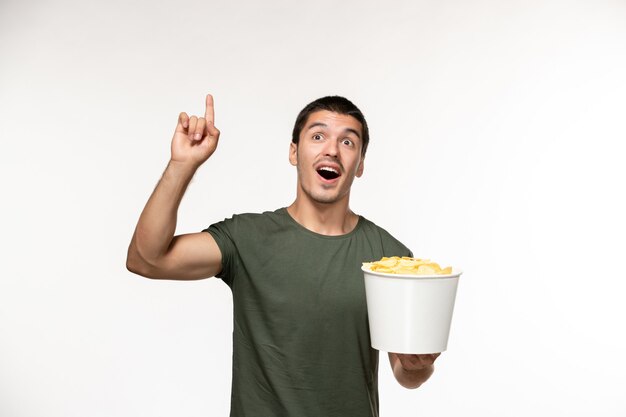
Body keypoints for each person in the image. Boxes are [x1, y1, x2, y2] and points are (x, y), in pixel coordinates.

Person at [126, 94, 441, 417]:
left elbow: (406, 375)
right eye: (318, 136)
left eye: (348, 142)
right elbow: (145, 259)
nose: (331, 149)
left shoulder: (391, 259)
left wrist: (419, 364)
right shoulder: (246, 239)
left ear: (360, 164)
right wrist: (182, 165)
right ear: (294, 152)